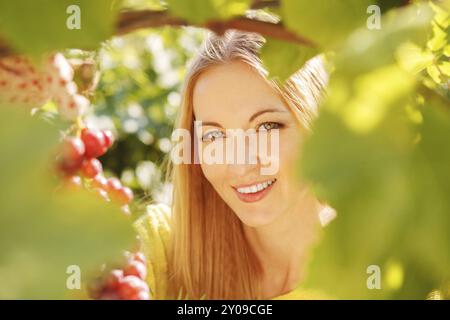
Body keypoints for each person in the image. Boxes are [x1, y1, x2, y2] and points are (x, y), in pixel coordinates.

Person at [134, 30, 336, 300]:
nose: (240, 165)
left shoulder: (380, 269)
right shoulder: (163, 251)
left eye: (266, 126)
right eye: (214, 136)